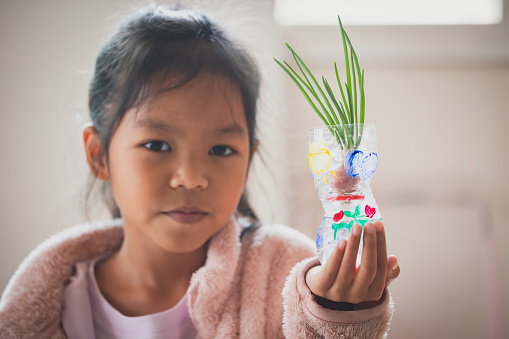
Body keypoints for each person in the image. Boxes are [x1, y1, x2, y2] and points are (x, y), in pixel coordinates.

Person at [0, 5, 399, 338]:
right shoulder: (52, 301)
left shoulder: (293, 278)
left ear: (248, 157)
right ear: (99, 155)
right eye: (157, 145)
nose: (191, 177)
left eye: (222, 149)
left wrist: (336, 315)